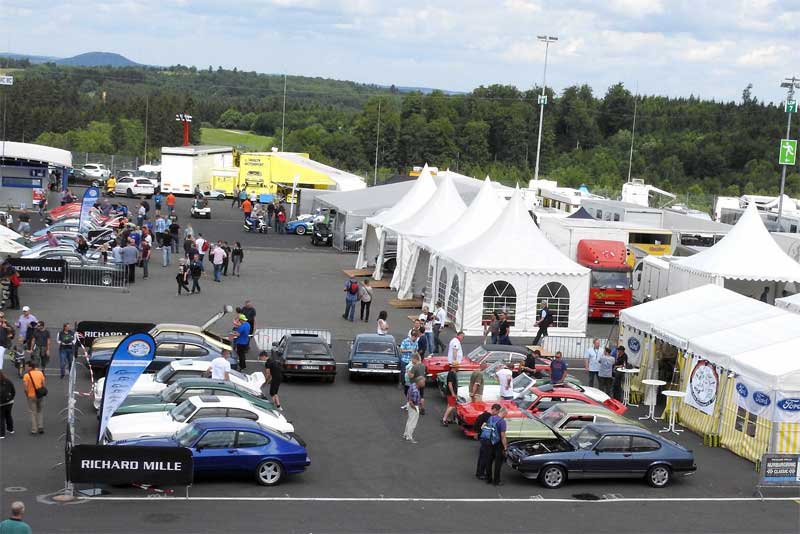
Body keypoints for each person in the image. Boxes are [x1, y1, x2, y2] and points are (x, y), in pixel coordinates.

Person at [475, 404, 501, 480]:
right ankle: (481, 473)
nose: (497, 413)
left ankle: (479, 472)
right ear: (494, 410)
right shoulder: (490, 417)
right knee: (485, 457)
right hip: (487, 439)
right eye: (497, 411)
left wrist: (478, 432)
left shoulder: (484, 415)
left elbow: (478, 424)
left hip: (483, 438)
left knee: (482, 456)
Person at [484, 406, 508, 486]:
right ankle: (496, 481)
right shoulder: (502, 422)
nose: (506, 416)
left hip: (489, 441)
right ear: (503, 413)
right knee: (498, 463)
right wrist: (505, 447)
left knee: (488, 461)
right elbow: (502, 436)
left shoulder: (491, 418)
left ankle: (488, 479)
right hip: (497, 444)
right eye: (506, 414)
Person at [23, 362, 45, 435]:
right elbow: (43, 384)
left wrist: (27, 395)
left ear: (30, 367)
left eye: (26, 366)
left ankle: (34, 429)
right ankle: (40, 426)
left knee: (32, 412)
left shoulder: (26, 375)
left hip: (31, 396)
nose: (25, 368)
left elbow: (25, 388)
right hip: (40, 395)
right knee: (40, 411)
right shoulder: (40, 373)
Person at [403, 376, 425, 443]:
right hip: (413, 406)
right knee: (413, 423)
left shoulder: (413, 385)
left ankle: (406, 434)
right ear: (419, 382)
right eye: (423, 382)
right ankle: (409, 437)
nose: (424, 383)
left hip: (410, 406)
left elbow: (409, 400)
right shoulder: (415, 391)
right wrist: (416, 408)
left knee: (409, 421)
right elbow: (411, 402)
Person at [441, 361, 459, 426]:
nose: (458, 368)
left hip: (451, 392)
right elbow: (450, 384)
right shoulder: (451, 374)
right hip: (451, 393)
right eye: (457, 366)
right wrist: (453, 393)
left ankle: (448, 418)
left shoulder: (452, 373)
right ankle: (444, 418)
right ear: (455, 367)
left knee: (449, 405)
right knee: (452, 406)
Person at [0, 371, 14, 439]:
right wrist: (11, 398)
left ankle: (2, 434)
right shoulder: (8, 381)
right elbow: (13, 391)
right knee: (8, 415)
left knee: (1, 418)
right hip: (9, 402)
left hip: (1, 403)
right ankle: (11, 429)